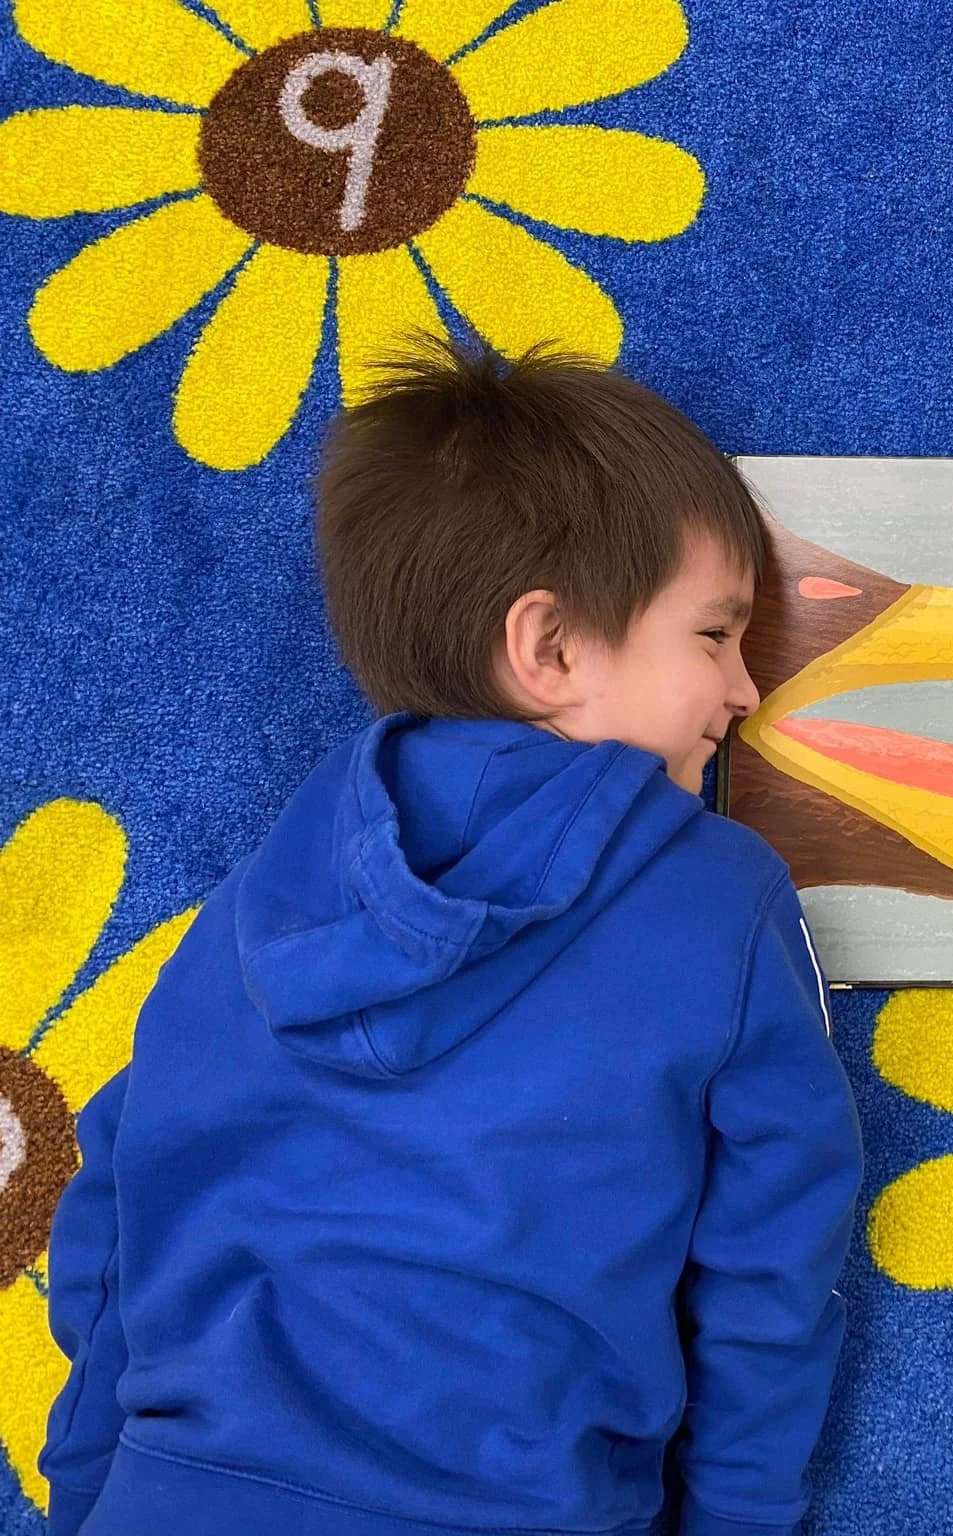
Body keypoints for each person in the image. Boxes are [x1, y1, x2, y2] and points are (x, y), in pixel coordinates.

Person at [38, 342, 864, 1536]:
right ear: (550, 650)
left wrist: (86, 1494)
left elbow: (117, 1208)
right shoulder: (721, 897)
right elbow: (771, 1270)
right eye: (714, 636)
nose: (746, 690)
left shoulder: (252, 905)